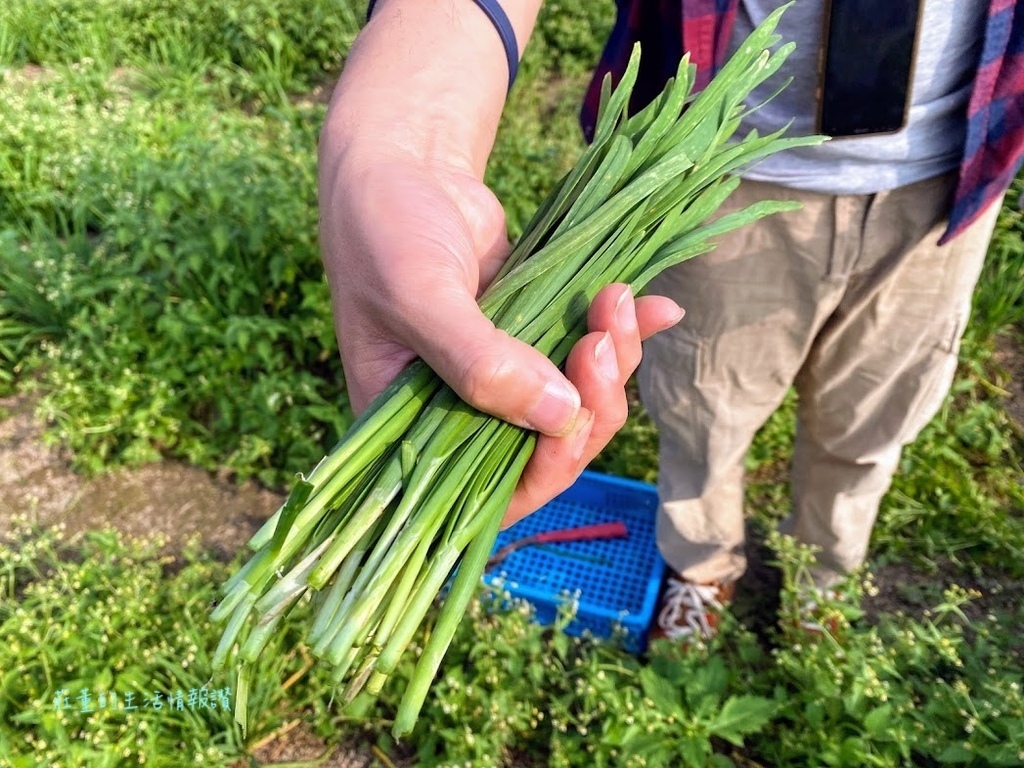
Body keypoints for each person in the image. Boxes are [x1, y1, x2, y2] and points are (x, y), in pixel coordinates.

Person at [318, 0, 1024, 643]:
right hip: (709, 161)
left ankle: (823, 585)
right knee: (701, 408)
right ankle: (701, 566)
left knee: (871, 416)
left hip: (949, 169)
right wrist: (406, 141)